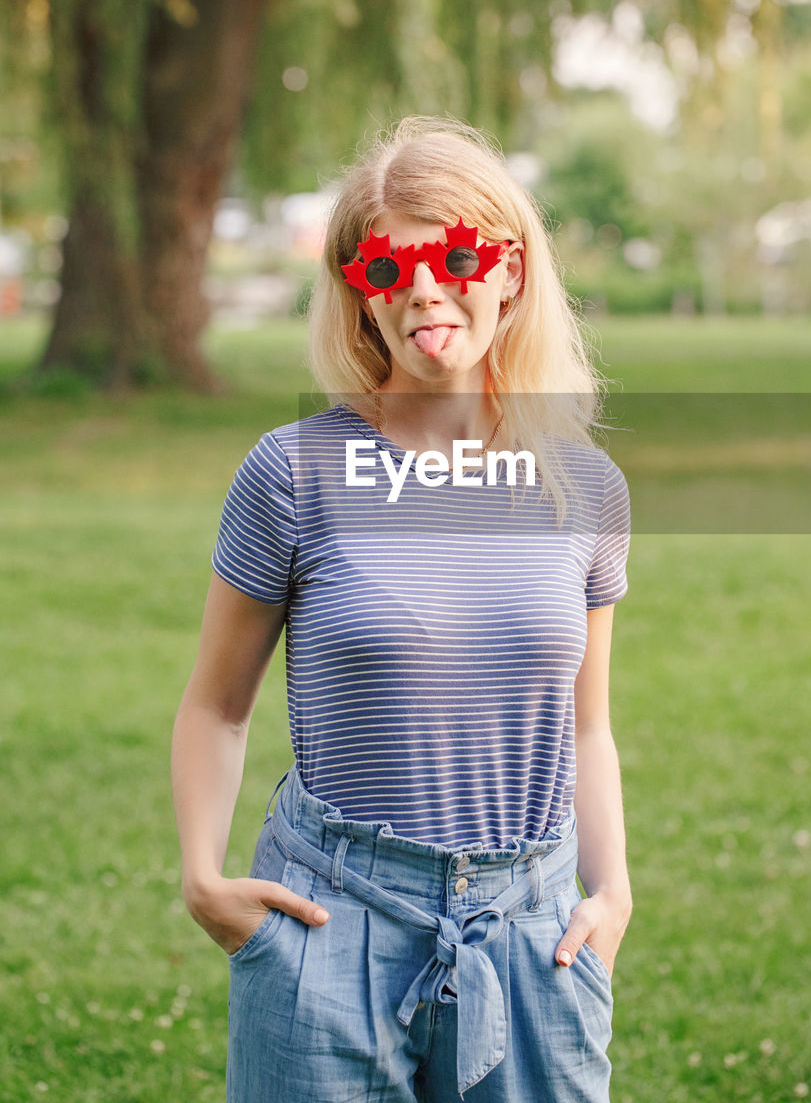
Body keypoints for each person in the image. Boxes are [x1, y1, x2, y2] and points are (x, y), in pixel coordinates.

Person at [171, 116, 632, 1103]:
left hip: (533, 929)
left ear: (508, 270)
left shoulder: (585, 489)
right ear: (357, 296)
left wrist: (613, 891)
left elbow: (587, 723)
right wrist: (204, 878)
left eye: (458, 253)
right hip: (329, 920)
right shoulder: (291, 472)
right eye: (389, 268)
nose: (426, 286)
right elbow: (216, 703)